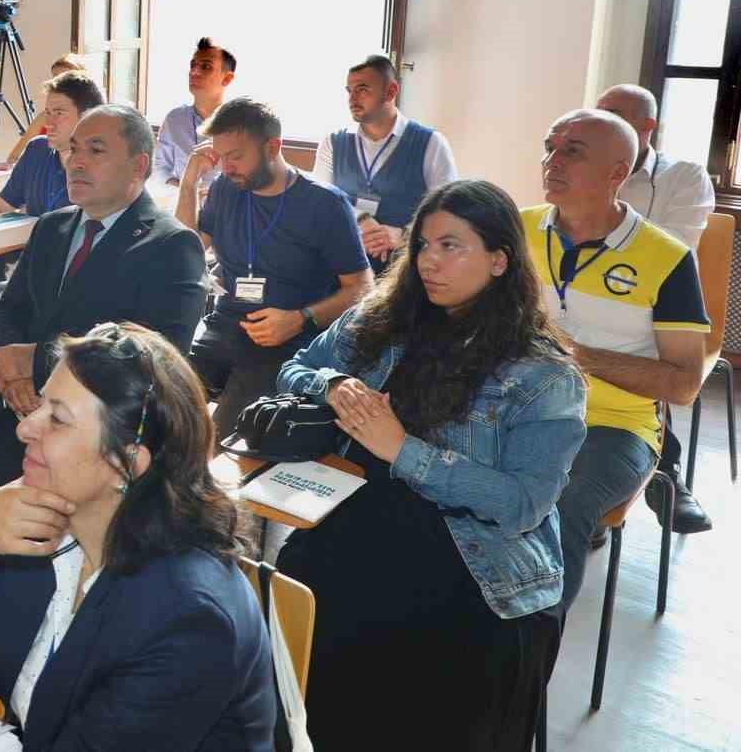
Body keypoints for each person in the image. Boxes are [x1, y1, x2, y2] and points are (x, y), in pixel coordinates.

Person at [274, 180, 585, 750]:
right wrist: (336, 383)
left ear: (499, 261)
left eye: (451, 246)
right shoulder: (384, 315)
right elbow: (295, 369)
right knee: (298, 589)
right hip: (357, 517)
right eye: (422, 245)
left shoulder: (544, 375)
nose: (428, 262)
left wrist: (401, 450)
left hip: (471, 553)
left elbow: (520, 506)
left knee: (413, 648)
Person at [0, 104, 207, 595]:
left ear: (139, 165)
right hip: (10, 418)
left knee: (9, 561)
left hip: (90, 443)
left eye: (96, 150)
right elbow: (7, 309)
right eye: (73, 148)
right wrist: (9, 363)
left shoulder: (170, 245)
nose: (75, 161)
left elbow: (153, 362)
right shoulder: (54, 227)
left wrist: (34, 363)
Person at [0, 323, 274, 750]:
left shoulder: (189, 619)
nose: (25, 428)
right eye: (40, 404)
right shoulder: (56, 512)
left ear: (126, 461)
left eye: (58, 418)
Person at [524, 109, 711, 611]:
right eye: (549, 146)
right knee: (425, 471)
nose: (551, 161)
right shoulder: (514, 231)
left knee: (563, 502)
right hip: (514, 408)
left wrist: (579, 356)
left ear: (617, 174)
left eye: (572, 151)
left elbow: (684, 385)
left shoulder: (667, 258)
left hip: (613, 425)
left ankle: (525, 654)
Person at [183, 98, 372, 440]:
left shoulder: (325, 204)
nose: (225, 168)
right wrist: (189, 183)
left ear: (273, 147)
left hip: (285, 340)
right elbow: (188, 250)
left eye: (236, 156)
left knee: (222, 442)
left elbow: (361, 287)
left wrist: (301, 317)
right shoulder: (227, 189)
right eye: (221, 156)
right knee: (158, 410)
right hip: (223, 327)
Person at [596, 82, 717, 531]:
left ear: (648, 127)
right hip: (589, 301)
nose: (604, 124)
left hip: (658, 308)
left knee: (634, 347)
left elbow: (668, 254)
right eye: (599, 113)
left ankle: (665, 473)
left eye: (616, 115)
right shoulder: (584, 167)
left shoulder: (683, 176)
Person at [312, 54, 458, 272]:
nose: (352, 99)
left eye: (362, 89)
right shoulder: (333, 142)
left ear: (391, 91)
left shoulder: (431, 143)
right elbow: (320, 203)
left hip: (408, 268)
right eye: (349, 91)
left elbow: (449, 210)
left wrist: (403, 235)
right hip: (342, 268)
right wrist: (361, 221)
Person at [0, 71, 105, 216]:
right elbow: (0, 207)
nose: (48, 124)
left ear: (87, 117)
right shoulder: (36, 150)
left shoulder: (104, 169)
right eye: (48, 113)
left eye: (59, 113)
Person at [153, 38, 236, 186]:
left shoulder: (241, 124)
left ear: (227, 79)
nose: (194, 72)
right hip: (181, 202)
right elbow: (160, 168)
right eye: (193, 65)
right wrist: (182, 188)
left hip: (227, 207)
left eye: (206, 66)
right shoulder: (175, 119)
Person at [1, 53, 87, 166]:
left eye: (64, 80)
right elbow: (15, 156)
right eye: (55, 78)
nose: (57, 85)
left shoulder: (89, 120)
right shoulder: (42, 118)